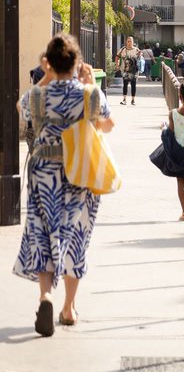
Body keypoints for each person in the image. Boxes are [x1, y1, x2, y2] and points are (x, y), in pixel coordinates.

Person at [14, 33, 115, 336]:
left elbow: (21, 110)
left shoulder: (37, 95)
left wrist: (44, 78)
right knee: (75, 236)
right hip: (78, 174)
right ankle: (69, 307)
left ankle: (45, 295)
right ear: (76, 62)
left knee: (42, 234)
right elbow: (107, 126)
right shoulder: (87, 95)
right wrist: (91, 84)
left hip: (43, 173)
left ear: (49, 62)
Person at [154, 82, 184, 221]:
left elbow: (171, 132)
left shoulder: (173, 114)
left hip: (178, 154)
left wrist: (164, 127)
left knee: (180, 182)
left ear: (179, 97)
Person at [115, 37, 140, 106]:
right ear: (126, 42)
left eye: (130, 41)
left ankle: (133, 100)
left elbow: (140, 58)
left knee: (133, 85)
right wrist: (117, 65)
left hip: (134, 71)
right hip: (125, 70)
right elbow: (117, 57)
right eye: (128, 41)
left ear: (133, 42)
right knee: (125, 84)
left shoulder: (136, 50)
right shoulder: (122, 49)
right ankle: (124, 99)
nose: (129, 43)